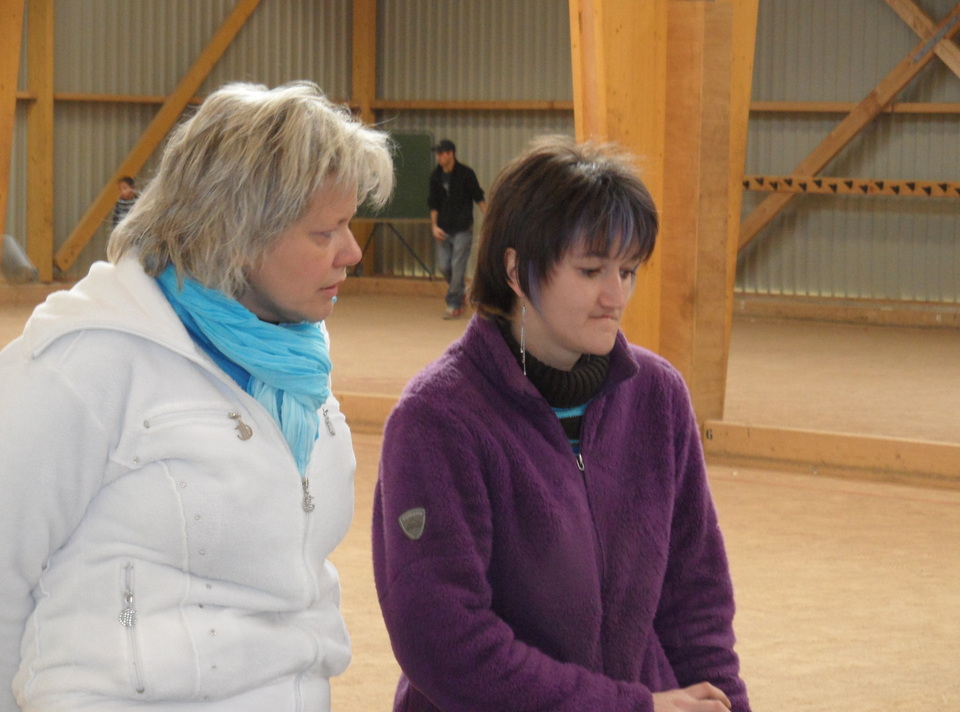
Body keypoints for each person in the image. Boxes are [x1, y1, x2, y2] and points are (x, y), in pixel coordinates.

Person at [0, 80, 394, 712]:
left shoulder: (297, 369)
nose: (351, 251)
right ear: (237, 235)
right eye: (325, 232)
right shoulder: (89, 362)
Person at [373, 137, 751, 712]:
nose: (614, 295)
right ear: (516, 270)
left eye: (627, 270)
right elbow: (444, 640)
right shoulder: (437, 420)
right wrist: (627, 707)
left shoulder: (658, 397)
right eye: (591, 269)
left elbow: (695, 597)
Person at [427, 138, 486, 319]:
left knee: (457, 265)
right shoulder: (435, 176)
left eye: (441, 153)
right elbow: (433, 204)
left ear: (451, 153)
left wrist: (492, 219)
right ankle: (460, 292)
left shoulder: (466, 174)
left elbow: (479, 198)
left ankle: (453, 304)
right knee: (444, 266)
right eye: (437, 153)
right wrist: (434, 226)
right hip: (443, 228)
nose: (438, 157)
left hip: (462, 228)